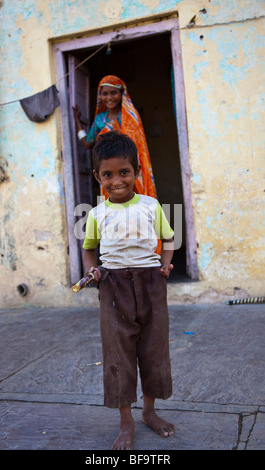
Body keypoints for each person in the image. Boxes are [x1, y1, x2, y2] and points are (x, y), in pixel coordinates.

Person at [82, 131, 174, 450]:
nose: (117, 180)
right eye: (108, 174)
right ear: (98, 177)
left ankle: (149, 412)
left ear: (136, 171)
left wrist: (165, 264)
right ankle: (126, 420)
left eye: (124, 172)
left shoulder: (151, 206)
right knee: (118, 354)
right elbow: (90, 247)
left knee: (153, 349)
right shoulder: (96, 214)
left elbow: (169, 238)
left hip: (150, 282)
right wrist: (92, 269)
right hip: (112, 284)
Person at [73, 75, 157, 199]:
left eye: (113, 93)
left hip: (129, 170)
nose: (109, 98)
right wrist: (77, 121)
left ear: (122, 93)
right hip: (109, 171)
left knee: (137, 207)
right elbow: (86, 143)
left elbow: (140, 148)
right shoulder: (100, 120)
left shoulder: (131, 116)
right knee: (113, 210)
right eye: (105, 94)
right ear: (100, 96)